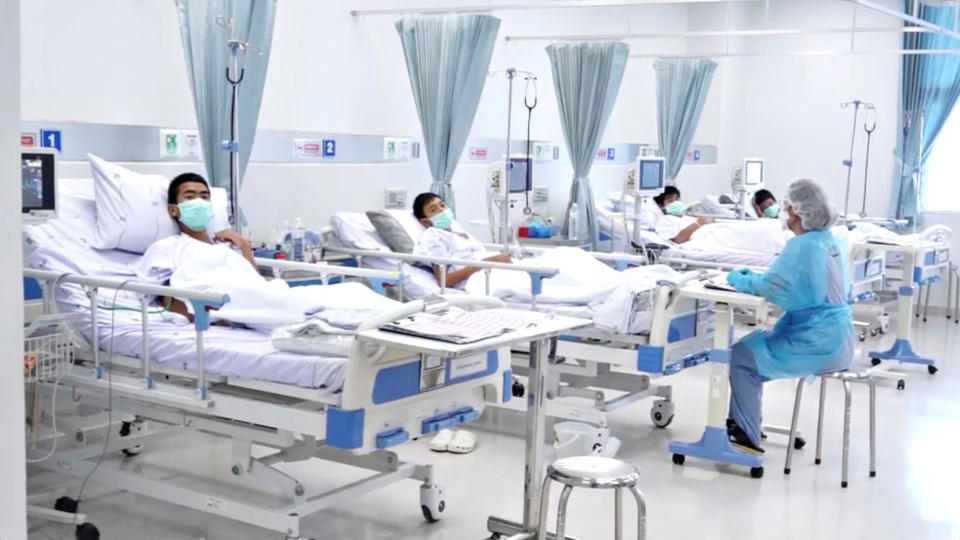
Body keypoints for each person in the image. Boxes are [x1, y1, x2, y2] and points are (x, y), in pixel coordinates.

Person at [724, 179, 854, 455]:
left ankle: (745, 437)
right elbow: (799, 287)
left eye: (786, 207)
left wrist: (741, 279)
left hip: (816, 343)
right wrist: (760, 280)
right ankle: (747, 423)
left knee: (740, 356)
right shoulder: (832, 242)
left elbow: (774, 288)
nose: (783, 212)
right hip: (840, 338)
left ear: (796, 212)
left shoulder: (803, 246)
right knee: (752, 349)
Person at [139, 173, 255, 322]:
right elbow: (160, 296)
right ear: (173, 210)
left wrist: (244, 246)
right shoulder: (168, 248)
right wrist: (215, 317)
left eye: (204, 197)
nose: (199, 202)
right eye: (190, 197)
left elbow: (255, 281)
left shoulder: (226, 246)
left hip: (248, 301)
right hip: (227, 311)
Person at [412, 192, 511, 288]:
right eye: (433, 210)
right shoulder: (432, 236)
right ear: (425, 222)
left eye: (442, 205)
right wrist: (487, 262)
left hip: (489, 270)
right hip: (478, 278)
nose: (441, 210)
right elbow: (444, 280)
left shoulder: (454, 228)